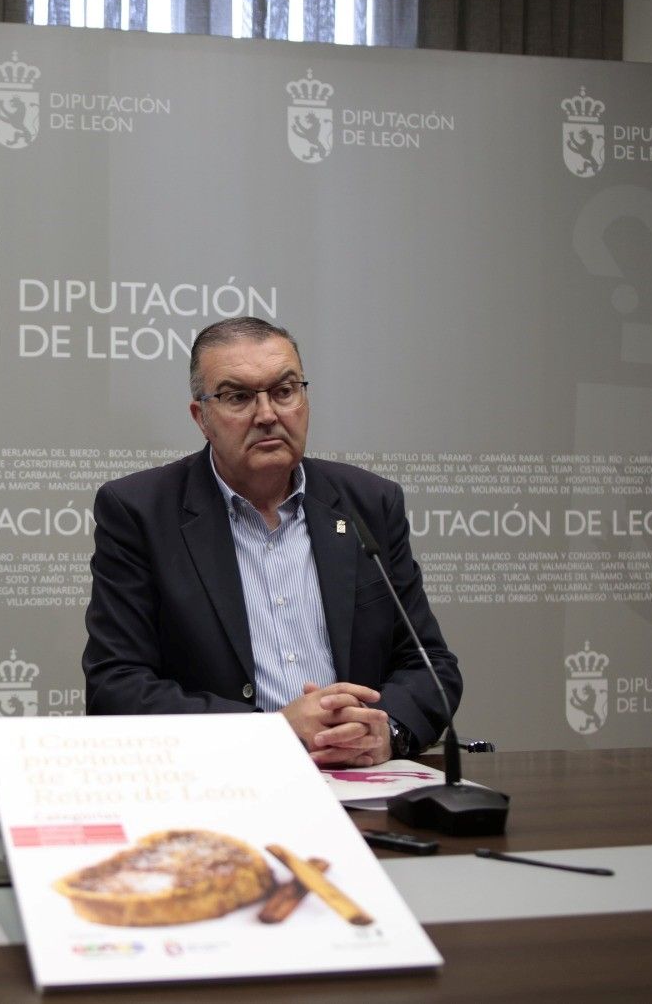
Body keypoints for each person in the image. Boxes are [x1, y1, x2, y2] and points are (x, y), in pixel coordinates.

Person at [83, 317, 460, 766]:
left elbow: (430, 664)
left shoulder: (369, 503)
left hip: (362, 783)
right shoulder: (140, 511)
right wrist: (272, 732)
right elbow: (116, 687)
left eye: (284, 391)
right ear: (201, 417)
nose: (267, 415)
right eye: (238, 397)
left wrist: (386, 731)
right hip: (225, 783)